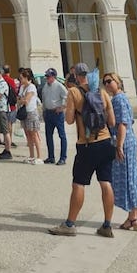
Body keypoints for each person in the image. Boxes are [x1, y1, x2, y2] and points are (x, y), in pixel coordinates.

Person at [48, 62, 116, 238]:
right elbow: (112, 122)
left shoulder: (74, 92)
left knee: (79, 184)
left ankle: (70, 224)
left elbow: (69, 120)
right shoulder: (101, 92)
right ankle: (107, 225)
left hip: (87, 145)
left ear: (76, 76)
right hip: (105, 141)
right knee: (106, 182)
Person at [103, 72, 137, 230]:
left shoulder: (118, 100)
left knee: (127, 180)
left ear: (118, 82)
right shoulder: (121, 98)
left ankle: (132, 218)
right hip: (129, 141)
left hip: (124, 142)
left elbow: (122, 124)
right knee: (134, 177)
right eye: (105, 82)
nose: (107, 84)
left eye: (110, 81)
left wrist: (119, 145)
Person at [41, 67, 68, 165]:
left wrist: (62, 107)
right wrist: (44, 111)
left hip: (57, 113)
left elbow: (66, 96)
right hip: (48, 112)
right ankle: (51, 156)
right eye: (46, 76)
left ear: (53, 76)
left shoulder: (59, 86)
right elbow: (44, 99)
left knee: (62, 135)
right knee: (48, 135)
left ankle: (63, 157)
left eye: (48, 76)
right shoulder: (45, 86)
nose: (47, 78)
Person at [18, 68, 43, 164]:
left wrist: (21, 99)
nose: (20, 80)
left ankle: (39, 156)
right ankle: (32, 155)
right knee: (28, 134)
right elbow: (19, 98)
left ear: (26, 77)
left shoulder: (31, 87)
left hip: (31, 112)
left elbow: (26, 100)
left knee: (34, 134)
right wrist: (21, 99)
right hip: (24, 113)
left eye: (21, 78)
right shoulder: (22, 87)